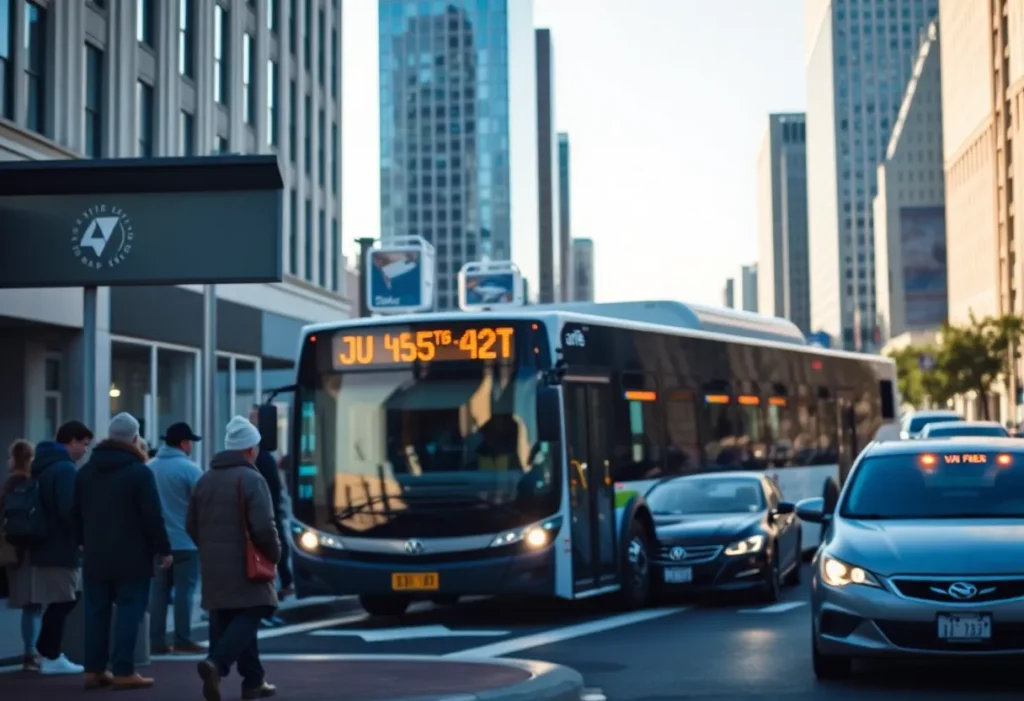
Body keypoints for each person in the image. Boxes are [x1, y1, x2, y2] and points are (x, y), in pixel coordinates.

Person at [72, 413, 173, 691]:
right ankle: (123, 670)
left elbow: (75, 513)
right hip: (132, 555)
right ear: (135, 438)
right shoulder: (140, 472)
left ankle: (94, 670)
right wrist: (163, 548)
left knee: (96, 611)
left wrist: (81, 541)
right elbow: (152, 515)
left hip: (95, 554)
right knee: (130, 610)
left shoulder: (86, 472)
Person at [188, 416, 280, 701]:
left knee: (234, 616)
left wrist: (209, 549)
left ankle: (254, 680)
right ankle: (217, 663)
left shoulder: (205, 479)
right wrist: (274, 554)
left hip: (213, 564)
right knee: (255, 609)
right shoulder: (252, 478)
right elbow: (264, 526)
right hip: (246, 562)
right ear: (250, 449)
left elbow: (191, 524)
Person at [23, 420, 94, 675]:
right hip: (61, 545)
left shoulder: (43, 466)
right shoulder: (64, 469)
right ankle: (49, 653)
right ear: (72, 441)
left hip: (43, 543)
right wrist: (82, 536)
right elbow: (68, 509)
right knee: (66, 599)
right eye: (84, 444)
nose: (86, 450)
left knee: (61, 600)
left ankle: (47, 652)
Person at [148, 421, 205, 654]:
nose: (191, 446)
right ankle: (183, 638)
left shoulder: (149, 468)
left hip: (157, 542)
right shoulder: (191, 470)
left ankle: (156, 641)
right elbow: (203, 504)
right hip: (186, 542)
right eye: (190, 441)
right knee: (184, 591)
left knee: (158, 592)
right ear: (183, 443)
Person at [0, 439, 43, 671]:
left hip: (13, 548)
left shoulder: (10, 485)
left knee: (27, 603)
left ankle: (31, 650)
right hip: (30, 548)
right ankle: (32, 651)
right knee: (34, 603)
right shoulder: (32, 484)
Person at [247, 406, 292, 599]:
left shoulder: (261, 457)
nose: (253, 421)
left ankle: (283, 582)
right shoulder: (261, 457)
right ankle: (281, 584)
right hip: (265, 513)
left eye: (255, 418)